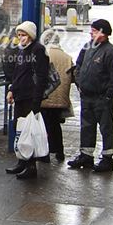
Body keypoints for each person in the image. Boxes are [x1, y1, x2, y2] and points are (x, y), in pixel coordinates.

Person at [68, 19, 113, 173]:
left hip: (102, 97)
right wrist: (79, 83)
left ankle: (107, 158)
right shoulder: (88, 47)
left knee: (106, 127)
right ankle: (86, 156)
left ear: (103, 33)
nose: (91, 32)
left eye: (94, 30)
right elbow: (79, 65)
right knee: (86, 126)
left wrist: (108, 95)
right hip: (86, 96)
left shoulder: (111, 53)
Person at [2, 21, 50, 179]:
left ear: (30, 35)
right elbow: (17, 74)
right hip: (20, 96)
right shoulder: (22, 51)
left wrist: (37, 100)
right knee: (20, 129)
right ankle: (22, 161)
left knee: (29, 132)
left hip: (30, 97)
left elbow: (41, 77)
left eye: (23, 35)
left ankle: (31, 166)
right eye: (19, 35)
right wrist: (11, 90)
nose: (20, 38)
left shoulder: (38, 50)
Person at [40, 28, 75, 162]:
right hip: (61, 98)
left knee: (44, 126)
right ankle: (59, 151)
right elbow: (72, 77)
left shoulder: (44, 54)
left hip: (45, 97)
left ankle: (45, 153)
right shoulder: (67, 57)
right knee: (55, 125)